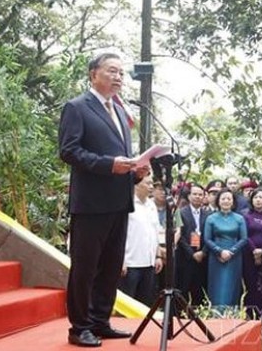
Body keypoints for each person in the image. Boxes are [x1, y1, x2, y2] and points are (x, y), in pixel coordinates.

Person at [58, 52, 149, 347]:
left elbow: (121, 157)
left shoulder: (121, 112)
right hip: (90, 204)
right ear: (93, 73)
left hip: (119, 201)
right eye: (112, 71)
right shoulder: (77, 107)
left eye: (121, 73)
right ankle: (79, 327)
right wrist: (108, 164)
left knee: (111, 267)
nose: (119, 77)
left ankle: (100, 321)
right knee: (85, 267)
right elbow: (69, 151)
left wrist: (135, 171)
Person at [119, 174, 163, 306]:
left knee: (146, 304)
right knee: (128, 304)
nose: (150, 187)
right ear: (136, 184)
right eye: (147, 183)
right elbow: (119, 233)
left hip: (149, 263)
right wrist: (120, 259)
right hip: (130, 263)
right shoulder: (126, 203)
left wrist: (158, 255)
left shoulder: (151, 205)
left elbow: (155, 232)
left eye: (152, 184)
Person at [204, 189, 247, 310]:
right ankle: (215, 315)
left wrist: (231, 252)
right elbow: (207, 239)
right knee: (217, 286)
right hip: (216, 256)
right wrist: (219, 251)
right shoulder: (211, 218)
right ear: (218, 201)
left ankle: (231, 315)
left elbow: (243, 239)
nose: (226, 201)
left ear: (233, 202)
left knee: (231, 287)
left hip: (234, 257)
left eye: (229, 199)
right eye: (223, 198)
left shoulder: (239, 218)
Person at [177, 184, 209, 306]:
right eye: (195, 194)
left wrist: (203, 252)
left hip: (203, 257)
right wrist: (191, 254)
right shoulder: (179, 213)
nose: (197, 197)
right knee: (184, 287)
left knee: (200, 290)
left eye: (200, 194)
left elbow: (210, 236)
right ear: (189, 196)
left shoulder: (209, 214)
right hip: (185, 257)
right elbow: (180, 237)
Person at [243, 188, 262, 319]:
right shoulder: (245, 215)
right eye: (255, 197)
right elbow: (244, 235)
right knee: (251, 285)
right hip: (249, 255)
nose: (258, 200)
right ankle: (250, 315)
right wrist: (254, 250)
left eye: (261, 197)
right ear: (251, 200)